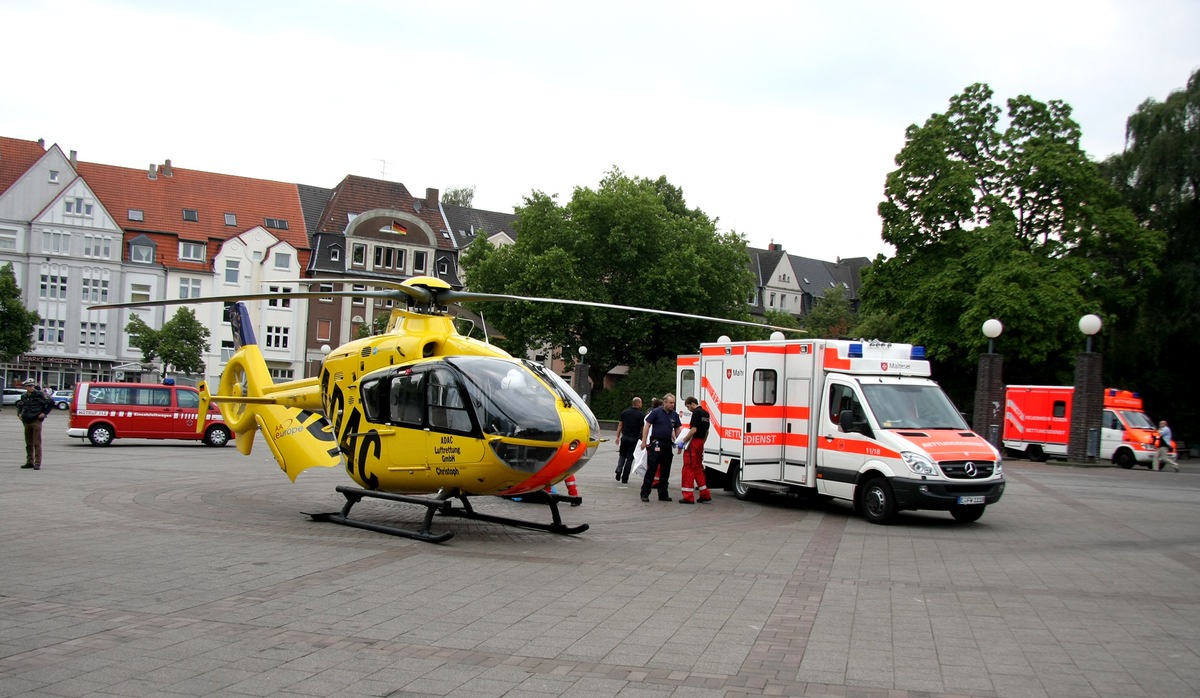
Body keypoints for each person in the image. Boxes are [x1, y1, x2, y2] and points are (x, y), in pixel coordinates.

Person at [640, 393, 681, 502]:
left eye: (674, 403)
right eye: (671, 403)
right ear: (665, 402)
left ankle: (663, 493)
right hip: (657, 442)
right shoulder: (656, 412)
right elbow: (647, 425)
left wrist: (680, 443)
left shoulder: (674, 415)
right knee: (652, 468)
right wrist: (644, 441)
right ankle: (645, 493)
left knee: (666, 470)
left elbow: (677, 429)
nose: (673, 405)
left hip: (667, 444)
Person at [677, 397, 712, 503]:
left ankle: (688, 496)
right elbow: (707, 432)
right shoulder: (706, 413)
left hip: (694, 442)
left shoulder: (696, 413)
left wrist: (683, 441)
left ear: (692, 404)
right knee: (698, 468)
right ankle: (705, 494)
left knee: (688, 468)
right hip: (701, 442)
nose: (688, 409)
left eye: (688, 406)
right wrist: (702, 443)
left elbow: (693, 429)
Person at [16, 379, 53, 470]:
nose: (31, 387)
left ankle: (37, 463)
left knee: (37, 443)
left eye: (32, 386)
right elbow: (20, 405)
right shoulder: (24, 396)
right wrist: (19, 414)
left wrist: (44, 413)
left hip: (36, 420)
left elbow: (51, 402)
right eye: (29, 386)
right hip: (27, 421)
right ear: (26, 387)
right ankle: (29, 462)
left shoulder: (40, 394)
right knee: (28, 443)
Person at [615, 397, 645, 482]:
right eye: (641, 403)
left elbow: (620, 425)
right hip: (634, 439)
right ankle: (625, 477)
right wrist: (643, 439)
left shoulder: (625, 412)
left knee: (622, 455)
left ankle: (619, 469)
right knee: (630, 458)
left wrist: (617, 436)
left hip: (625, 437)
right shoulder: (642, 415)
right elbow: (643, 429)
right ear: (638, 403)